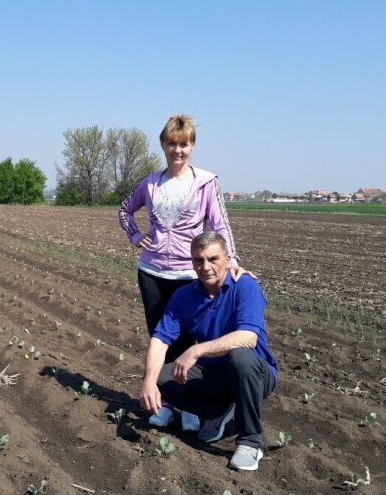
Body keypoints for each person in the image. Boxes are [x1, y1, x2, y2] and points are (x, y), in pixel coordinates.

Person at [118, 113, 246, 431]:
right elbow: (124, 209)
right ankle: (165, 403)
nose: (178, 150)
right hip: (152, 272)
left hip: (189, 274)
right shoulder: (150, 182)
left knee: (191, 342)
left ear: (192, 146)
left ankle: (190, 405)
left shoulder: (205, 182)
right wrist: (135, 236)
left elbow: (219, 225)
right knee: (161, 339)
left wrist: (231, 260)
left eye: (184, 144)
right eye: (172, 144)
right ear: (163, 144)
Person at [139, 232, 278, 471]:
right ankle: (219, 410)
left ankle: (250, 442)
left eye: (213, 259)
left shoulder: (245, 286)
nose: (205, 267)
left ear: (228, 259)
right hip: (212, 374)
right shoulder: (184, 296)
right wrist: (148, 382)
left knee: (240, 358)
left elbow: (248, 337)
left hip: (255, 373)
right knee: (162, 377)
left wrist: (196, 351)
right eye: (198, 260)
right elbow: (161, 339)